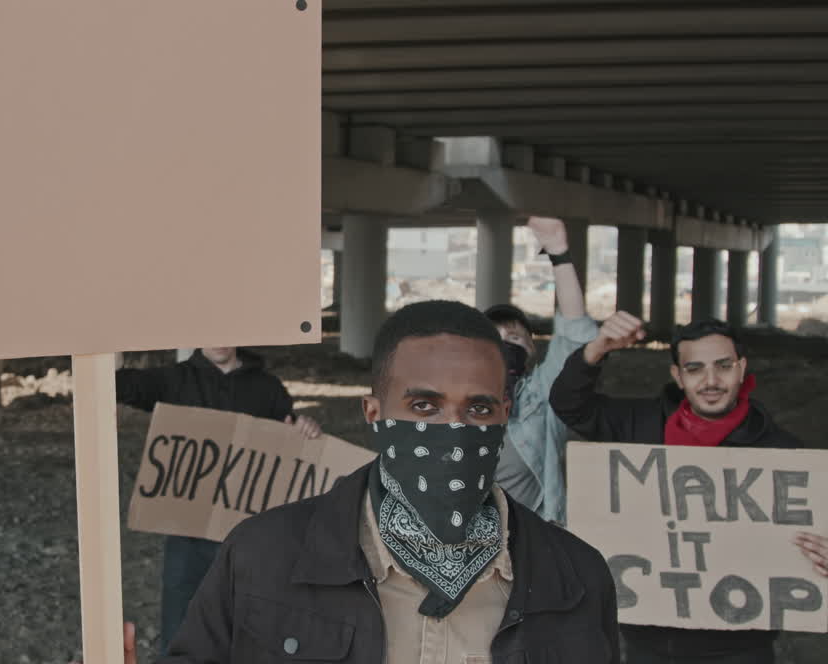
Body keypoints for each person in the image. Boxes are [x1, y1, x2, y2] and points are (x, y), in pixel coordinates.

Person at [122, 301, 618, 663]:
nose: (453, 430)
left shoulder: (576, 576)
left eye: (479, 408)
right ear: (375, 414)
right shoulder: (260, 558)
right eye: (424, 407)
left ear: (505, 415)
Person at [548, 313, 827, 663]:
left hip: (743, 649)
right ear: (678, 376)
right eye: (695, 369)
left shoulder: (784, 454)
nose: (711, 380)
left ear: (741, 369)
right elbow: (567, 403)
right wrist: (599, 347)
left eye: (723, 366)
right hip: (649, 645)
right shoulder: (638, 425)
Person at [115, 346, 321, 653]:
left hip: (250, 540)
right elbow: (115, 384)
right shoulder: (173, 380)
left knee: (251, 634)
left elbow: (290, 445)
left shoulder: (268, 388)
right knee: (180, 633)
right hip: (188, 541)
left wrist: (306, 430)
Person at [484, 216, 598, 525]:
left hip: (533, 552)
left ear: (531, 350)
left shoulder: (541, 397)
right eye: (493, 340)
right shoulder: (449, 405)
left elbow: (576, 335)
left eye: (514, 338)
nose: (504, 346)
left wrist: (559, 254)